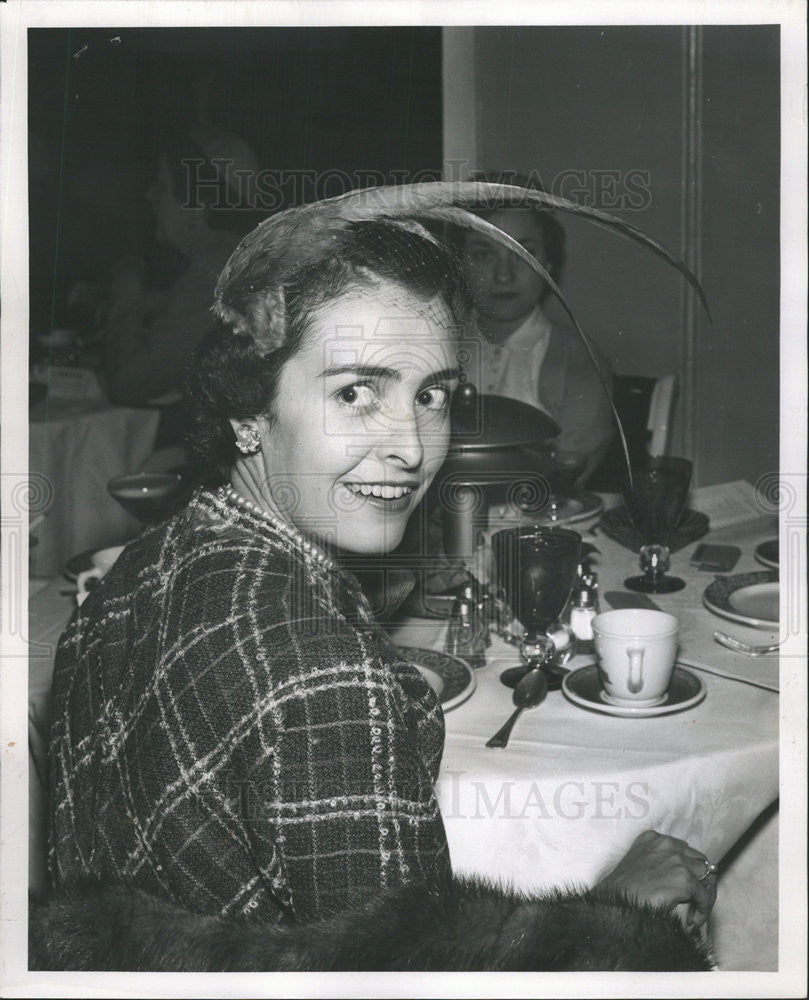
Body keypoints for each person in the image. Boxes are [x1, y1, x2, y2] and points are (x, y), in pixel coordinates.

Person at [30, 186, 715, 971]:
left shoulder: (147, 561)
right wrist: (616, 909)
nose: (413, 447)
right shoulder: (330, 683)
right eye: (356, 392)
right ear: (248, 409)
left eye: (431, 395)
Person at [462, 172, 615, 484]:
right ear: (457, 262)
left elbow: (567, 477)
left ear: (549, 263)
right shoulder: (432, 350)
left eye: (522, 253)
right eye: (482, 254)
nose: (503, 275)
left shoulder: (577, 360)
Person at [102, 128, 263, 407]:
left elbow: (129, 384)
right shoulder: (231, 257)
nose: (150, 196)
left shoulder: (216, 273)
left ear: (197, 207)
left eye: (162, 186)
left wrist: (126, 294)